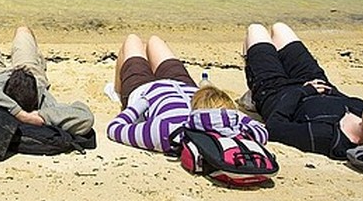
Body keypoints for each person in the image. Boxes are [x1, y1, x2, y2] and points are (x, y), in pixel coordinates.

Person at [242, 22, 363, 159]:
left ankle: (254, 98)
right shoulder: (361, 112)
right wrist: (316, 86)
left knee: (256, 30)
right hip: (314, 80)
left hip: (276, 92)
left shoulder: (326, 136)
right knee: (280, 29)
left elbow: (275, 127)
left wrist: (304, 92)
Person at [106, 33, 267, 153]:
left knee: (132, 40)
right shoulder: (232, 128)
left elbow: (115, 128)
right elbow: (261, 131)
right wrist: (230, 116)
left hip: (145, 90)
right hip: (186, 87)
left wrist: (143, 102)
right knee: (155, 41)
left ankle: (118, 93)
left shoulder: (167, 132)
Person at [0, 26, 94, 135]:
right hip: (31, 74)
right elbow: (85, 117)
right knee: (23, 30)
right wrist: (26, 115)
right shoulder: (46, 106)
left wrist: (18, 114)